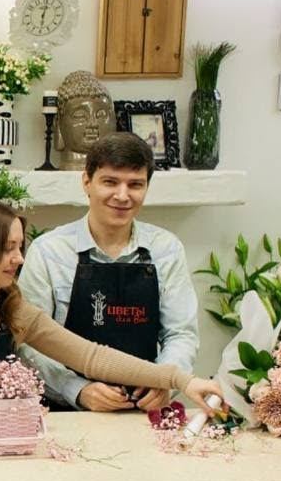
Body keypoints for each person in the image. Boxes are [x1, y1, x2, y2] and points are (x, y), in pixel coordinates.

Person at [0, 201, 221, 424]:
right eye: (8, 248)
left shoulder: (11, 308)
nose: (19, 259)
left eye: (19, 247)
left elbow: (90, 356)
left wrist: (181, 379)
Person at [17, 132, 199, 412]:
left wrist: (163, 383)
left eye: (135, 184)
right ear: (87, 182)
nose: (122, 196)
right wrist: (76, 389)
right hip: (67, 412)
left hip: (144, 409)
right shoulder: (48, 251)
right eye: (110, 182)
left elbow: (181, 334)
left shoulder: (167, 249)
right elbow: (28, 342)